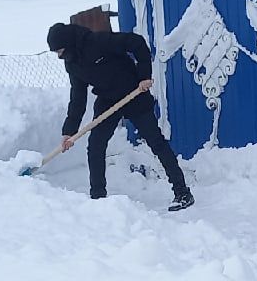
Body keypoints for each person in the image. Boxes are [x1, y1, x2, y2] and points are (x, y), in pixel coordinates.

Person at [46, 22, 193, 211]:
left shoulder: (98, 41)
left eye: (60, 50)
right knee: (96, 146)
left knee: (156, 142)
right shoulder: (72, 64)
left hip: (133, 92)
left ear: (69, 43)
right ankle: (98, 199)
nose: (60, 56)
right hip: (108, 99)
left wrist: (144, 76)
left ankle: (182, 193)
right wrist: (69, 131)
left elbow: (137, 42)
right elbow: (78, 97)